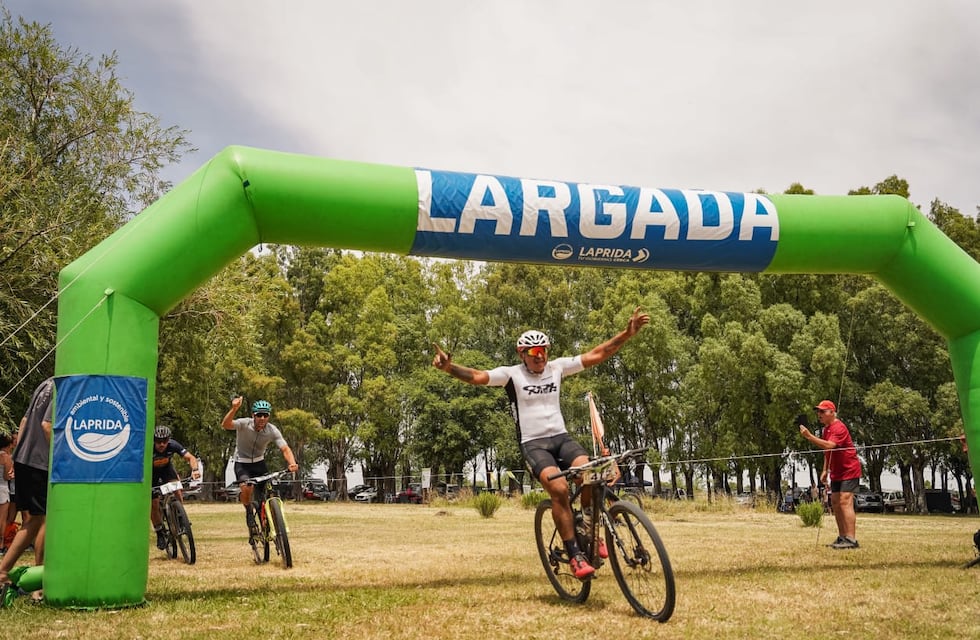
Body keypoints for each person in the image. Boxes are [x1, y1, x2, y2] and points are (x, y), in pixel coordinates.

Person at [432, 306, 650, 579]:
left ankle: (587, 525)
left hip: (561, 438)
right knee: (558, 489)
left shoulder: (557, 368)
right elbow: (477, 376)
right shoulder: (511, 375)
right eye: (534, 353)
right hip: (534, 445)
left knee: (590, 475)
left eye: (544, 350)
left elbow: (597, 354)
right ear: (521, 354)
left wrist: (627, 334)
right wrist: (450, 368)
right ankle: (574, 555)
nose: (540, 357)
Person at [0, 377, 54, 588]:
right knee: (42, 518)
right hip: (39, 463)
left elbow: (24, 421)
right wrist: (61, 458)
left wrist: (17, 455)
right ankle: (38, 584)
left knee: (33, 520)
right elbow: (47, 426)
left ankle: (4, 572)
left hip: (23, 458)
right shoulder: (62, 386)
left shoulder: (45, 383)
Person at [221, 397, 299, 542]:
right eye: (259, 415)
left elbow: (285, 448)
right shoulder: (244, 424)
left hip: (259, 463)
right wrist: (234, 409)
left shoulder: (272, 430)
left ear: (269, 416)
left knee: (268, 490)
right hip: (242, 464)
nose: (262, 418)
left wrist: (292, 463)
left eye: (265, 415)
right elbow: (225, 424)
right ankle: (249, 512)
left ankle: (270, 517)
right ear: (253, 415)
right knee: (246, 488)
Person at [799, 400, 862, 549]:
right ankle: (842, 537)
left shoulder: (838, 427)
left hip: (849, 469)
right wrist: (825, 470)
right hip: (837, 472)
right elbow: (828, 452)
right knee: (835, 502)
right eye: (818, 411)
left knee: (845, 501)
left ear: (832, 412)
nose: (819, 414)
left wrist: (809, 436)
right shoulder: (826, 430)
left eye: (822, 411)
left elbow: (829, 445)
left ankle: (851, 539)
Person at [150, 425, 201, 550]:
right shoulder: (148, 448)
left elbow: (191, 457)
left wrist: (195, 470)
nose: (162, 444)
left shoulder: (173, 445)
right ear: (153, 440)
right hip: (151, 474)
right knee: (154, 504)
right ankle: (159, 532)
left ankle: (180, 515)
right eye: (158, 441)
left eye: (165, 441)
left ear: (169, 440)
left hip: (167, 471)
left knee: (177, 489)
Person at [0, 432, 13, 554]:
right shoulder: (6, 457)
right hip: (3, 489)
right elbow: (7, 476)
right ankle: (1, 544)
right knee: (2, 519)